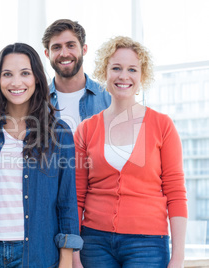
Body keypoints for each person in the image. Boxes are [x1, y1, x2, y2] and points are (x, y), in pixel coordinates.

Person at [0, 43, 83, 267]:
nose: (16, 82)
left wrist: (66, 260)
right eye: (7, 74)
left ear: (37, 79)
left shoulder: (59, 133)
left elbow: (66, 202)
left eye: (25, 73)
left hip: (38, 254)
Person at [74, 36, 188, 267]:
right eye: (116, 68)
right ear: (104, 72)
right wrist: (74, 255)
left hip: (148, 244)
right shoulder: (86, 129)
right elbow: (76, 196)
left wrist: (178, 257)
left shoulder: (162, 125)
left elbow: (175, 193)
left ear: (141, 75)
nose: (123, 76)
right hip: (94, 242)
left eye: (132, 69)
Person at [42, 19, 111, 133]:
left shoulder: (108, 97)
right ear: (47, 54)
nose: (64, 54)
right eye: (56, 47)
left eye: (70, 45)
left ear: (84, 49)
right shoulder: (38, 101)